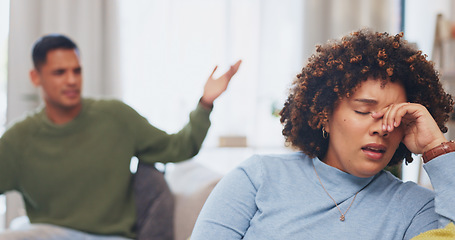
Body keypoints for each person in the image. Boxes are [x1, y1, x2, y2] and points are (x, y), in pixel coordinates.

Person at [190, 29, 455, 240]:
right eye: (364, 111)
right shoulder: (258, 178)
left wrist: (436, 147)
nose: (381, 127)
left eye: (394, 117)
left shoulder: (415, 207)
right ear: (324, 115)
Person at [0, 34, 241, 239]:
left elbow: (179, 147)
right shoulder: (19, 139)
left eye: (77, 70)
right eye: (59, 72)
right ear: (36, 77)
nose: (71, 80)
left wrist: (206, 103)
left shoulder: (115, 117)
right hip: (51, 233)